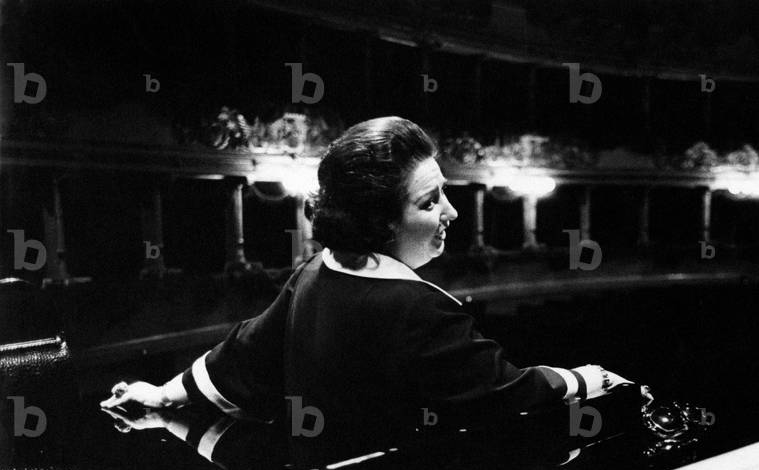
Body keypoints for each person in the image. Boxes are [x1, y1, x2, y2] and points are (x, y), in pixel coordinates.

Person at [100, 116, 630, 448]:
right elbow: (506, 394)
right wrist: (588, 379)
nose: (451, 212)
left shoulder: (314, 272)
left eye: (443, 193)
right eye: (429, 202)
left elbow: (242, 355)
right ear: (379, 223)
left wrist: (164, 395)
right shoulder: (415, 308)